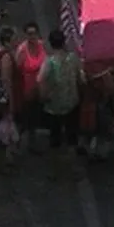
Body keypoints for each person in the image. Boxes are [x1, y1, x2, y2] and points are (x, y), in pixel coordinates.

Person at [39, 30, 84, 174]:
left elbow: (40, 79)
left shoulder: (49, 62)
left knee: (55, 139)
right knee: (72, 138)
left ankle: (54, 170)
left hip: (54, 106)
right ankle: (75, 169)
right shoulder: (73, 58)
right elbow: (81, 79)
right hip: (72, 103)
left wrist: (44, 96)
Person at [13, 22, 46, 143]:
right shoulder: (22, 50)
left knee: (37, 115)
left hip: (39, 87)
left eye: (34, 33)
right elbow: (17, 69)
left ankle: (33, 138)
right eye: (29, 34)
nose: (32, 37)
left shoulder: (42, 46)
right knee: (27, 116)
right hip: (27, 89)